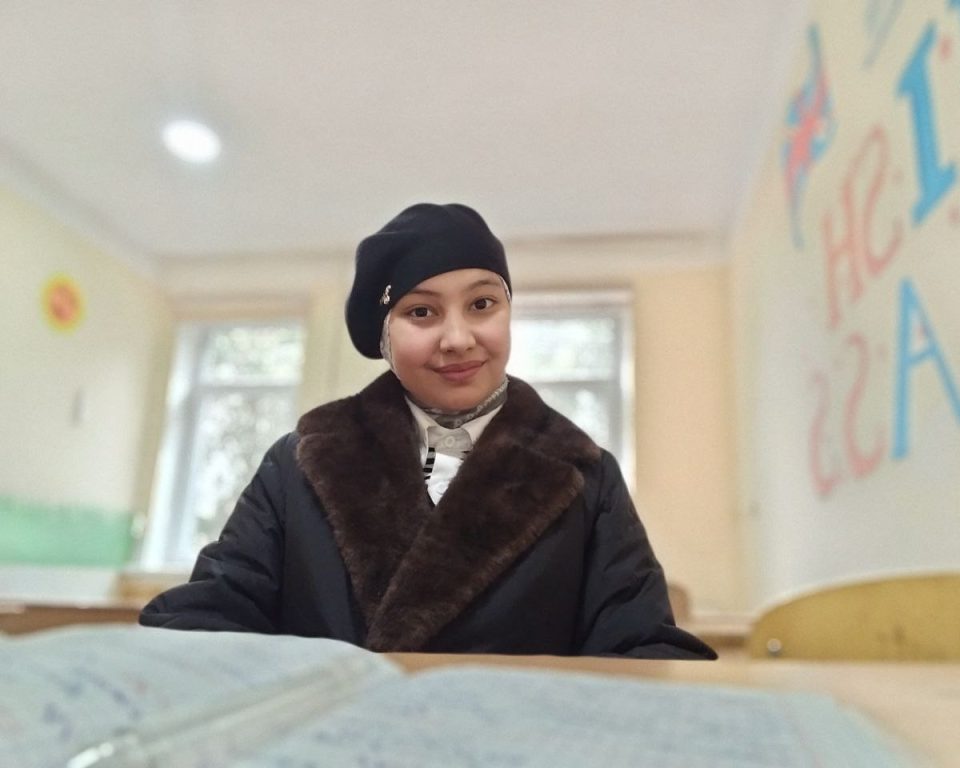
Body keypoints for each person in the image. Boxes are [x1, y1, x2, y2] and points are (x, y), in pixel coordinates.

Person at [140, 203, 716, 660]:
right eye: (422, 312)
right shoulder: (298, 464)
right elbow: (213, 613)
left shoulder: (586, 474)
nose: (458, 338)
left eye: (483, 304)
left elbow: (643, 649)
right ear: (384, 338)